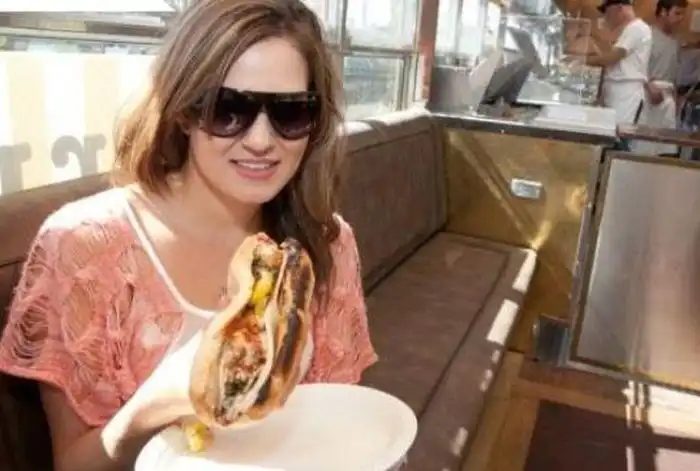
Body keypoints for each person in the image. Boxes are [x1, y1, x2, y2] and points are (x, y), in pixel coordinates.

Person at [0, 1, 378, 470]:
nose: (261, 140)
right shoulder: (83, 247)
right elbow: (74, 466)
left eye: (291, 112)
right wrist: (157, 403)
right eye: (229, 109)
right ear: (182, 110)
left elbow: (338, 428)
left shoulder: (328, 244)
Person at [569, 0, 652, 150]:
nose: (606, 18)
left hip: (627, 94)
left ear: (619, 8)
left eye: (607, 13)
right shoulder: (628, 30)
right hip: (617, 92)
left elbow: (612, 58)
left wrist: (581, 61)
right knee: (608, 138)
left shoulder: (637, 28)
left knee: (618, 140)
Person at [632, 0, 688, 156]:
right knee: (643, 146)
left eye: (683, 14)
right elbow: (637, 66)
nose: (681, 18)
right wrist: (649, 85)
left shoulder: (675, 41)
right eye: (677, 13)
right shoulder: (647, 35)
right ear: (663, 12)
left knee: (664, 149)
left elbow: (673, 72)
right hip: (648, 94)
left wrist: (677, 97)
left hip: (668, 97)